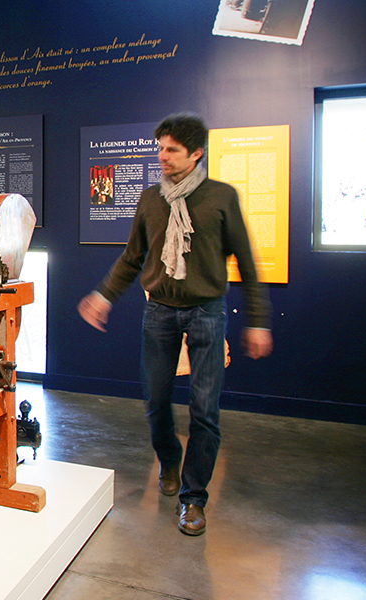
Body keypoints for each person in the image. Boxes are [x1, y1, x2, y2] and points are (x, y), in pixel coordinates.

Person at [78, 113, 273, 536]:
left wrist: (257, 320)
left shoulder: (221, 197)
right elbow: (133, 258)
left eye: (171, 150)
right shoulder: (151, 199)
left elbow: (248, 262)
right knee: (155, 399)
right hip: (159, 312)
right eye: (160, 148)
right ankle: (169, 459)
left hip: (207, 312)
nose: (162, 156)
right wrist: (103, 295)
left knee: (205, 410)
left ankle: (193, 498)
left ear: (196, 153)